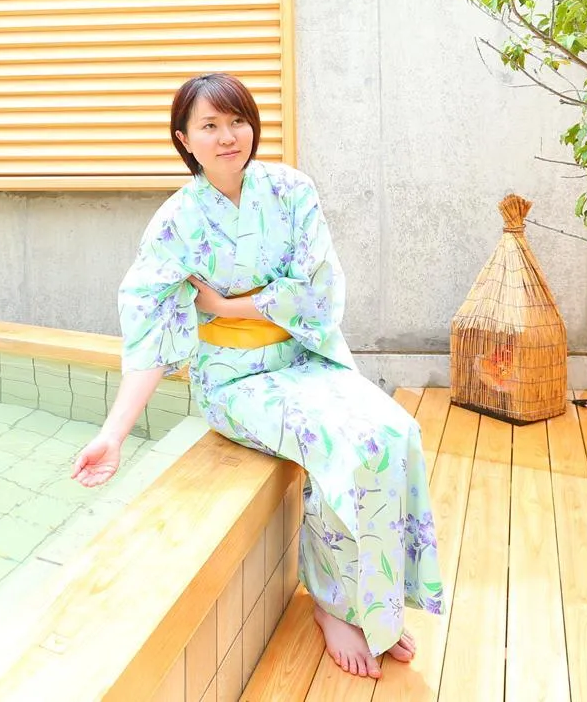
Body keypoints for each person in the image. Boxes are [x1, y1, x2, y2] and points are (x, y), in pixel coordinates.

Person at [71, 73, 443, 679]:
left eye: (237, 120)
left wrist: (225, 306)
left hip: (306, 356)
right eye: (209, 127)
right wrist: (114, 433)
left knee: (395, 432)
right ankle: (334, 605)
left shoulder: (292, 189)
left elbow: (315, 291)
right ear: (184, 140)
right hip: (235, 379)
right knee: (344, 443)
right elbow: (148, 331)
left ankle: (376, 604)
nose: (228, 136)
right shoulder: (175, 223)